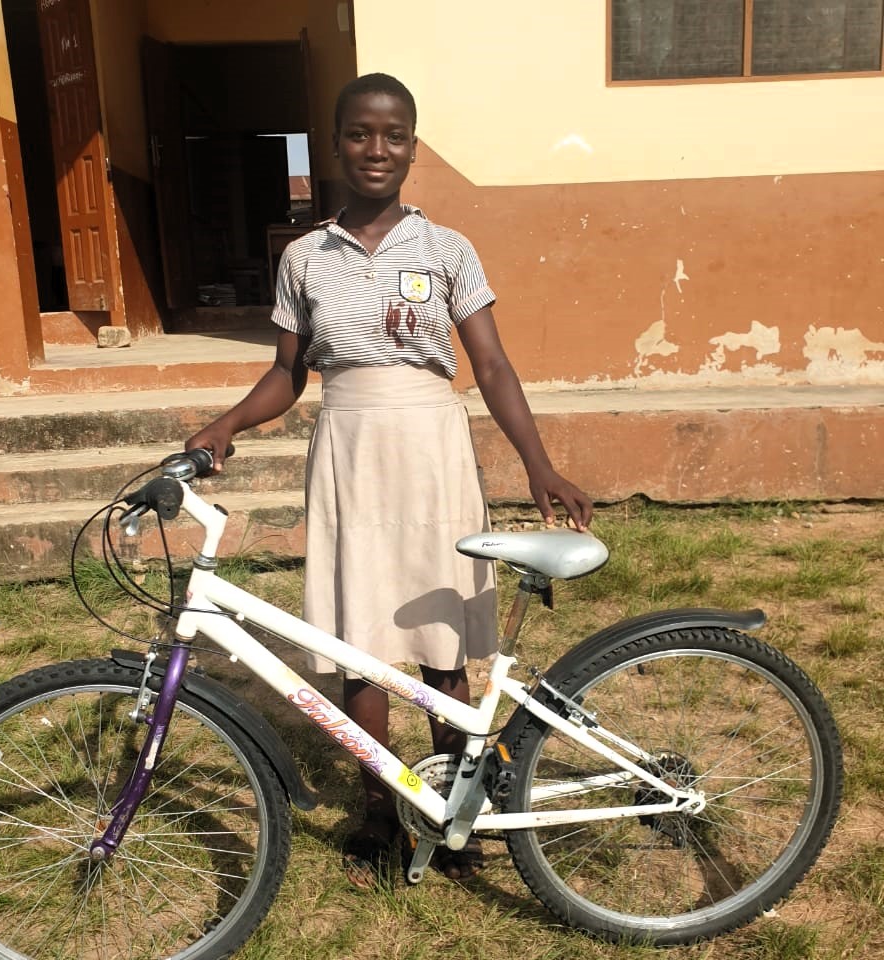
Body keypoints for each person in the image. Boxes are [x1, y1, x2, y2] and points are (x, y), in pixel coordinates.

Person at [185, 72, 593, 889]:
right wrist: (227, 422)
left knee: (442, 635)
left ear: (412, 147)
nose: (378, 148)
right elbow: (287, 373)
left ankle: (455, 808)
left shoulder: (447, 249)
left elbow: (490, 364)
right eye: (360, 133)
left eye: (394, 134)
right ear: (336, 144)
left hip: (432, 446)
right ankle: (379, 810)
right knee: (359, 638)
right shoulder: (305, 257)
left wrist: (538, 461)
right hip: (349, 448)